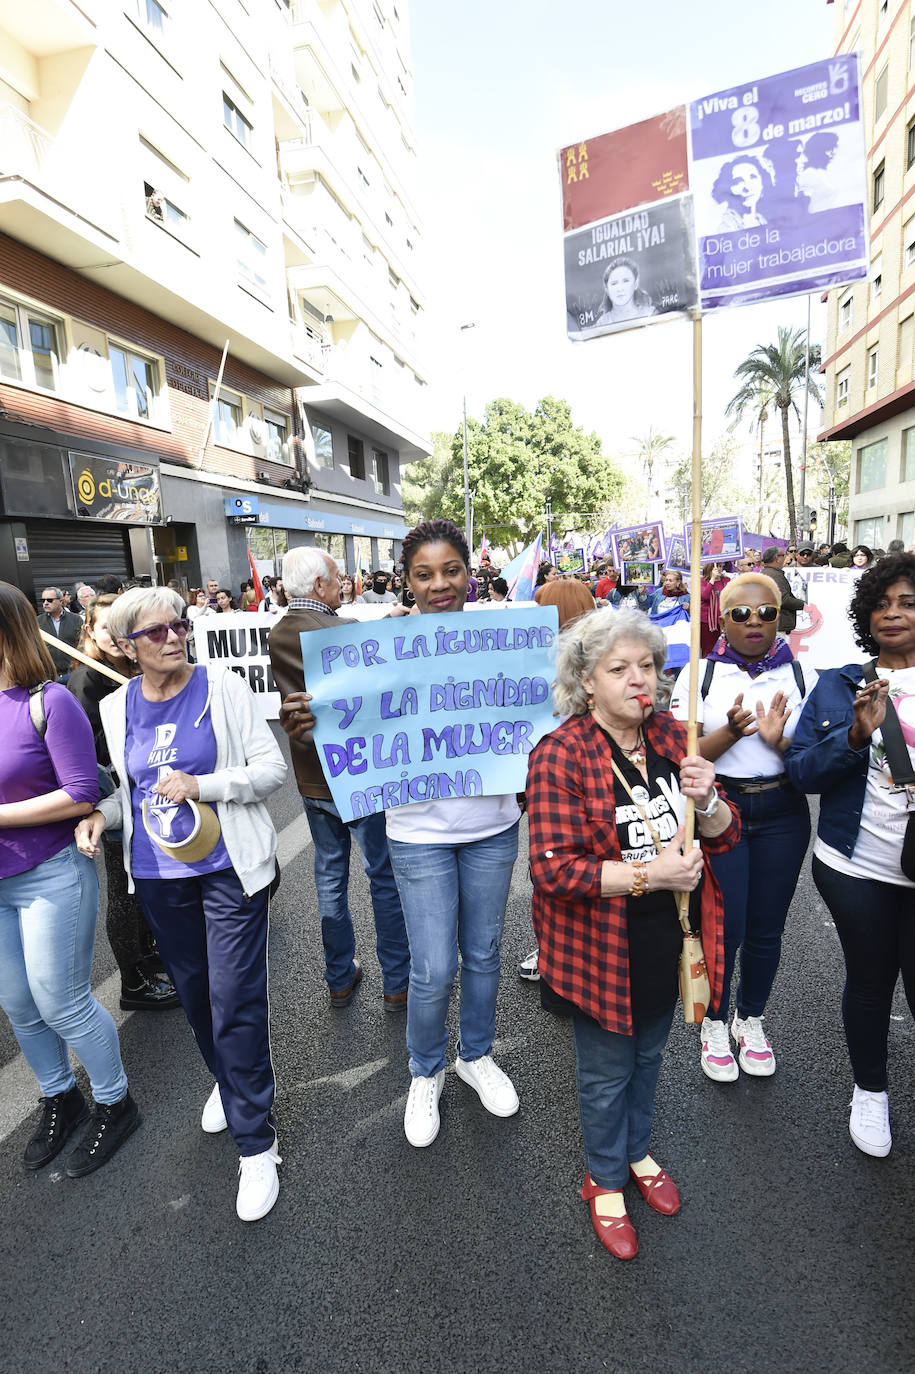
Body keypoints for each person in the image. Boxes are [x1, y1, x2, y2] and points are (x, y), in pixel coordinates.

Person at [278, 521, 524, 1148]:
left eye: (451, 570)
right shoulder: (378, 646)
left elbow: (543, 710)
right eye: (424, 573)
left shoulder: (508, 640)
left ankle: (475, 1053)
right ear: (407, 580)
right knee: (433, 967)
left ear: (471, 572)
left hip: (493, 827)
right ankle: (425, 1069)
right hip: (417, 832)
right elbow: (347, 725)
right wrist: (313, 726)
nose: (440, 584)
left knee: (486, 952)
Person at [526, 609, 738, 1260]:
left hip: (671, 935)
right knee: (604, 1073)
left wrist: (704, 801)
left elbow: (725, 833)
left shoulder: (676, 736)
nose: (637, 680)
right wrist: (651, 872)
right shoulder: (560, 753)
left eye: (645, 666)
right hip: (598, 945)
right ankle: (603, 1176)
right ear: (586, 683)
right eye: (618, 669)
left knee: (649, 1059)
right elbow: (552, 870)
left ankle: (637, 1152)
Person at [74, 586, 287, 1220]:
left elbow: (270, 770)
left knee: (234, 1000)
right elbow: (132, 793)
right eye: (156, 632)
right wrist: (100, 817)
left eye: (179, 625)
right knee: (196, 997)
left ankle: (257, 1144)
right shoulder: (116, 708)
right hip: (158, 878)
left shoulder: (223, 690)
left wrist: (207, 784)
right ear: (126, 647)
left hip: (228, 870)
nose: (173, 638)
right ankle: (229, 1080)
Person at [0, 582, 140, 1177]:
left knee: (61, 999)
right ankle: (60, 1095)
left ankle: (115, 1102)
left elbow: (83, 790)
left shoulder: (48, 700)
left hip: (54, 869)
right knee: (17, 1002)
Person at [786, 554, 915, 1159]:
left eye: (908, 602)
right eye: (882, 603)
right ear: (866, 614)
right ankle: (870, 1091)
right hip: (855, 867)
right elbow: (802, 773)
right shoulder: (841, 684)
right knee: (870, 982)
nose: (892, 613)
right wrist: (855, 736)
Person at [670, 572, 815, 1082]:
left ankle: (749, 1017)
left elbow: (812, 763)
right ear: (720, 618)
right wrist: (730, 732)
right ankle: (712, 1022)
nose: (754, 622)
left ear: (781, 617)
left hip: (782, 811)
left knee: (766, 930)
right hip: (719, 809)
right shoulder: (699, 676)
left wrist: (780, 745)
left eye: (766, 612)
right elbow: (681, 757)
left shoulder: (803, 676)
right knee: (722, 928)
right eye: (740, 613)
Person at [268, 547, 410, 1011]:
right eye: (335, 577)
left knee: (330, 876)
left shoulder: (279, 633)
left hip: (312, 777)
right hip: (358, 773)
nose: (343, 583)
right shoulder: (343, 631)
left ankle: (339, 977)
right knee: (382, 876)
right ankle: (396, 979)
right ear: (317, 586)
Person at [68, 595, 180, 1012]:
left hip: (147, 795)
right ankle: (132, 980)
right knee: (124, 889)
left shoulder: (128, 672)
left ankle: (147, 956)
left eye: (119, 630)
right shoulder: (86, 683)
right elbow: (95, 748)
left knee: (145, 887)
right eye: (103, 629)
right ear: (90, 633)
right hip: (113, 794)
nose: (112, 638)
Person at [712, 154, 773, 230]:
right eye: (738, 181)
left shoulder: (762, 219)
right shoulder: (726, 227)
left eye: (753, 177)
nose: (747, 188)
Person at [37, 587, 82, 683]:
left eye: (49, 600)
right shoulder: (37, 622)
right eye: (43, 600)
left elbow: (82, 645)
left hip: (72, 673)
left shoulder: (76, 619)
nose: (45, 603)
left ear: (61, 601)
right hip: (49, 676)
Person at [594, 258, 656, 327]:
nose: (620, 289)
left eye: (626, 281)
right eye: (614, 283)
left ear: (636, 284)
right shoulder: (601, 323)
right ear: (607, 289)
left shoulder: (650, 314)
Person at [760, 546, 805, 633]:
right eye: (783, 555)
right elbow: (782, 599)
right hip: (778, 623)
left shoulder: (769, 573)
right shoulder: (774, 575)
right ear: (777, 558)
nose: (785, 557)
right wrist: (802, 604)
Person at [699, 563, 728, 656]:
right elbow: (704, 596)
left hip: (723, 621)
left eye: (720, 566)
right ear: (709, 569)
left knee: (722, 648)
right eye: (716, 567)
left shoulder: (726, 580)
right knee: (708, 649)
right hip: (708, 622)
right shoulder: (702, 581)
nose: (719, 569)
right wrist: (712, 580)